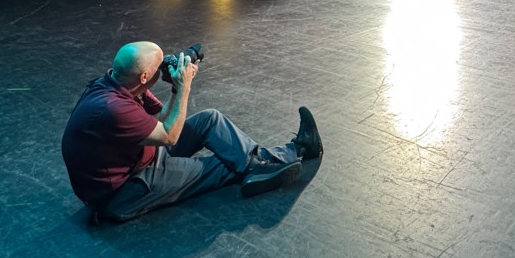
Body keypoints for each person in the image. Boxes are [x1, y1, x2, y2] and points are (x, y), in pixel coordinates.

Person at [61, 41, 323, 223]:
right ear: (143, 77)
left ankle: (256, 166)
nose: (164, 67)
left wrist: (175, 88)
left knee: (210, 119)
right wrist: (184, 86)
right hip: (125, 193)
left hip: (140, 157)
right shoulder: (113, 107)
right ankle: (296, 151)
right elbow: (169, 136)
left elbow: (164, 120)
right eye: (159, 65)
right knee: (221, 163)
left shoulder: (117, 82)